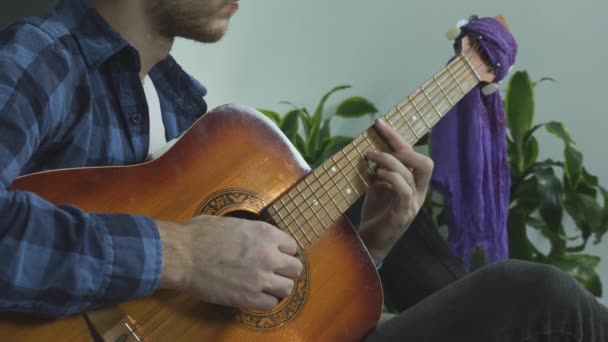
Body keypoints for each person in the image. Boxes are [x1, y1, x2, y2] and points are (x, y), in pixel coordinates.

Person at [0, 0, 605, 341]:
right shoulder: (46, 56)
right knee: (538, 298)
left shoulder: (184, 110)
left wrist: (371, 243)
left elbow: (227, 318)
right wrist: (181, 251)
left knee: (477, 277)